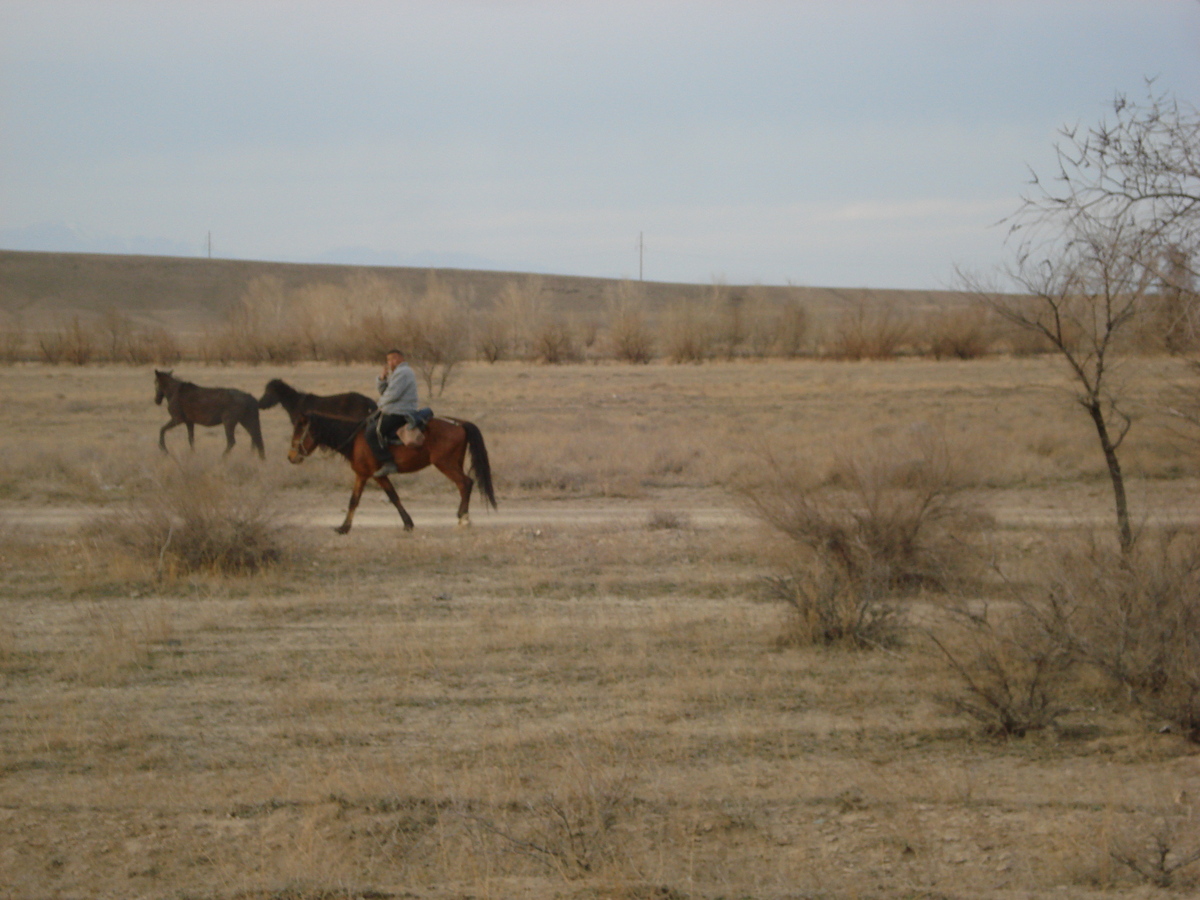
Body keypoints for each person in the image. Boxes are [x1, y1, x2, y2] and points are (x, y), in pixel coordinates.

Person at [369, 348, 420, 477]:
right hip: (394, 408)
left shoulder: (403, 372)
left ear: (400, 359)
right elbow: (385, 392)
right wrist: (382, 379)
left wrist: (379, 404)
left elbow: (393, 394)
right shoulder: (397, 373)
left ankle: (388, 463)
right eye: (388, 360)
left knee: (371, 432)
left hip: (400, 411)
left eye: (392, 359)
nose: (390, 362)